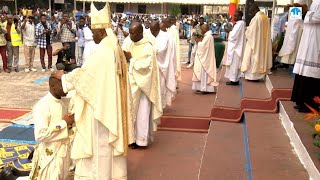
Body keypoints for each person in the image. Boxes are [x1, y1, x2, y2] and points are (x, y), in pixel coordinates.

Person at [52, 3, 134, 179]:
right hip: (108, 101)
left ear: (102, 32)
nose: (92, 34)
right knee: (107, 149)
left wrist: (64, 78)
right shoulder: (114, 47)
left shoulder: (104, 50)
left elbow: (86, 76)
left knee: (100, 147)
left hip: (101, 108)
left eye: (94, 31)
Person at [124, 22, 162, 149]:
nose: (130, 36)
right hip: (130, 84)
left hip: (143, 87)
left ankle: (141, 140)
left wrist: (131, 59)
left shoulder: (147, 47)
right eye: (129, 32)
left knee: (142, 114)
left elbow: (146, 67)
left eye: (132, 33)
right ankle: (131, 138)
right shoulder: (129, 43)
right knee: (130, 112)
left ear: (140, 33)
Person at [29, 77, 73, 180]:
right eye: (62, 86)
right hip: (50, 156)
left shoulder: (65, 101)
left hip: (65, 153)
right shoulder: (42, 105)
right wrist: (64, 123)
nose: (66, 88)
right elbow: (40, 135)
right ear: (52, 86)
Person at [291, 0, 320, 112]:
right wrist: (295, 11)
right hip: (307, 39)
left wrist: (305, 12)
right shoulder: (314, 2)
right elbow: (302, 23)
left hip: (316, 40)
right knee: (302, 72)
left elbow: (316, 17)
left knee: (311, 73)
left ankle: (310, 104)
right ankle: (301, 101)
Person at [241, 4, 272, 81]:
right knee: (262, 56)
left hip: (255, 43)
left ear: (254, 10)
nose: (251, 14)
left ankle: (253, 77)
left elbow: (251, 32)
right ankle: (259, 75)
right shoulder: (266, 17)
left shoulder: (256, 18)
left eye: (251, 12)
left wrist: (246, 29)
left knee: (253, 57)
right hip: (263, 43)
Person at [150, 21, 176, 108]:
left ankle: (161, 105)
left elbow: (162, 51)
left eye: (153, 31)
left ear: (158, 29)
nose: (152, 33)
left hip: (161, 67)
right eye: (151, 30)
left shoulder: (165, 37)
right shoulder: (150, 35)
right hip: (151, 67)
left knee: (161, 86)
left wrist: (150, 51)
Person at [278, 0, 308, 66]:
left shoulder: (293, 9)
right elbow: (299, 22)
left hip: (292, 33)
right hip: (295, 34)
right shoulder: (296, 10)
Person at [192, 24, 218, 93]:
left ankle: (204, 88)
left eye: (202, 29)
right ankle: (202, 87)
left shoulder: (208, 36)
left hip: (205, 59)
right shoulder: (207, 36)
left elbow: (203, 47)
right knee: (201, 72)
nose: (201, 30)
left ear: (206, 29)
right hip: (205, 57)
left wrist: (198, 41)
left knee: (204, 73)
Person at [224, 11, 246, 85]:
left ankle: (234, 80)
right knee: (234, 65)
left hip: (236, 48)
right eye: (234, 16)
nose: (234, 17)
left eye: (236, 16)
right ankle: (234, 79)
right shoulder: (239, 24)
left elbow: (233, 36)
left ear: (240, 16)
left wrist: (228, 31)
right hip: (236, 47)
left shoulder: (240, 24)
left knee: (234, 64)